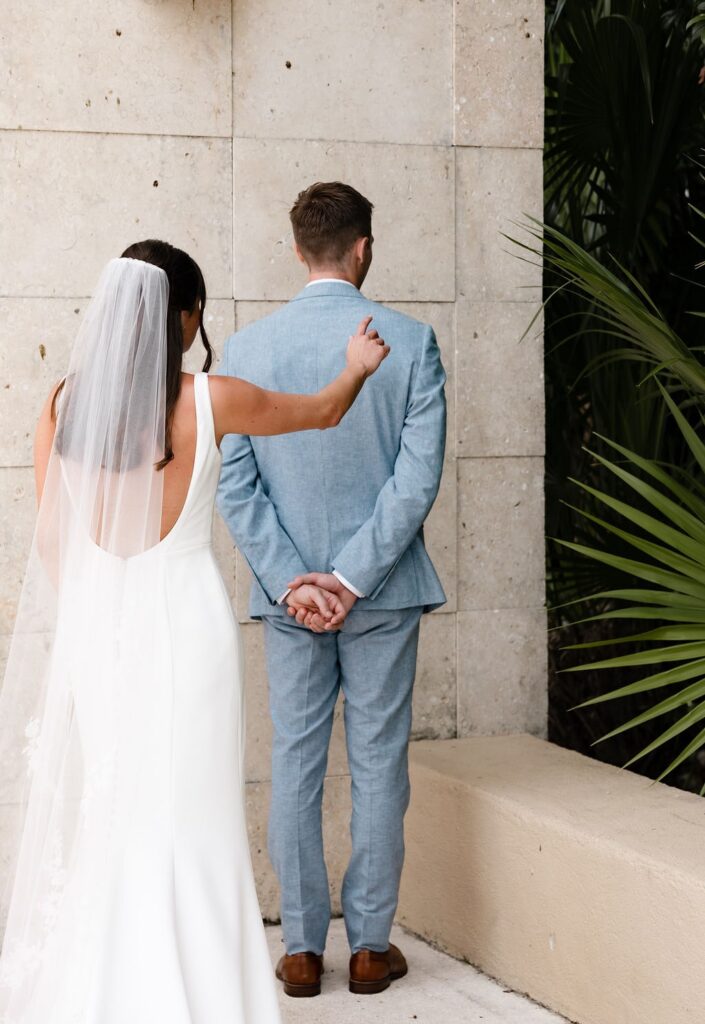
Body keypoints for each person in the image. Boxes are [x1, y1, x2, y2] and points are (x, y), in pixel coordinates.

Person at [0, 240, 388, 1024]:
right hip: (187, 627)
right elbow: (323, 410)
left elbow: (52, 543)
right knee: (193, 811)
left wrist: (102, 614)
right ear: (184, 317)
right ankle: (205, 994)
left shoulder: (60, 405)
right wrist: (356, 363)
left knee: (116, 809)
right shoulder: (211, 399)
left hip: (102, 630)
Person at [216, 181, 447, 998]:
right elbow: (416, 483)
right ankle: (371, 949)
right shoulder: (411, 341)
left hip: (290, 602)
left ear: (297, 249)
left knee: (295, 764)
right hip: (379, 594)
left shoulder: (243, 349)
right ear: (362, 248)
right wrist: (351, 578)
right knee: (381, 764)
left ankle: (303, 949)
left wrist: (294, 583)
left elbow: (235, 486)